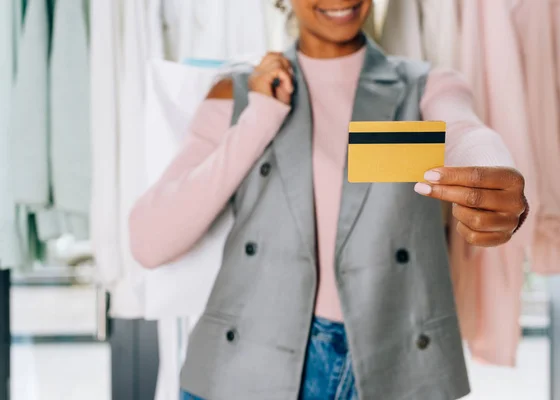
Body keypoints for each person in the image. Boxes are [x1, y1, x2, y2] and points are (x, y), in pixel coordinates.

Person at [129, 0, 529, 399]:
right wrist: (259, 117)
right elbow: (150, 243)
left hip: (395, 362)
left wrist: (494, 174)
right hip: (245, 366)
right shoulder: (237, 91)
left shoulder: (425, 85)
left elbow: (465, 132)